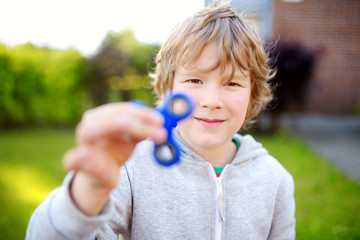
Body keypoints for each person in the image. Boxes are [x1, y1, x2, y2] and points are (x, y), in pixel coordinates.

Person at [26, 1, 295, 239]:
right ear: (169, 87)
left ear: (253, 92)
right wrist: (87, 191)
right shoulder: (131, 168)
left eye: (232, 83)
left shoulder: (276, 181)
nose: (211, 100)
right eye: (194, 80)